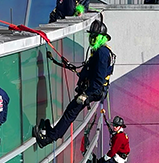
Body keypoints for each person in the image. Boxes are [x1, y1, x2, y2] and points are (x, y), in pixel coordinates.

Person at [33, 18, 115, 148]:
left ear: (102, 37)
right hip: (92, 89)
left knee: (71, 113)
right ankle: (53, 132)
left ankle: (49, 138)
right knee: (69, 111)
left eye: (95, 36)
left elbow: (99, 79)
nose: (92, 39)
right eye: (91, 36)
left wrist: (86, 95)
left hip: (93, 91)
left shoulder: (102, 53)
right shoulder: (99, 51)